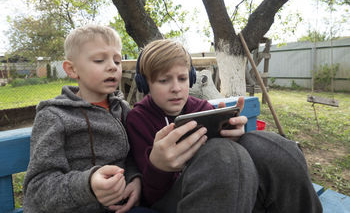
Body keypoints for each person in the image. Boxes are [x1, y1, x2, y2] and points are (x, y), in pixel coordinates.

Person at [126, 39, 323, 213]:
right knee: (222, 153)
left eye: (183, 78)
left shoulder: (200, 108)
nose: (176, 88)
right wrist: (158, 167)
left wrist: (237, 136)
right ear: (145, 84)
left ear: (191, 77)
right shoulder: (138, 120)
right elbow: (150, 197)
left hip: (224, 192)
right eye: (163, 80)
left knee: (267, 144)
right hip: (171, 199)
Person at [23, 24, 157, 213]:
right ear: (72, 69)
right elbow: (38, 189)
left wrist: (135, 179)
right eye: (99, 60)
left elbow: (131, 157)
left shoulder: (121, 109)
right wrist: (88, 185)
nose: (112, 67)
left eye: (117, 61)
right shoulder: (55, 116)